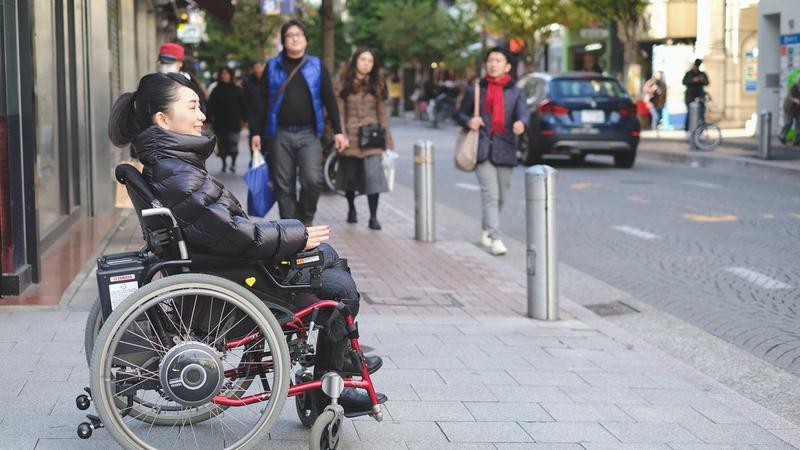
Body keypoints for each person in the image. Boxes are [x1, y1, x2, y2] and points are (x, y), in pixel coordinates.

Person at [107, 72, 384, 413]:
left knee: (326, 256)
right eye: (192, 106)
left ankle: (340, 364)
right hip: (233, 279)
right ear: (163, 120)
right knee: (339, 289)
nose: (202, 116)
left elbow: (227, 228)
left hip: (224, 266)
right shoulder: (178, 174)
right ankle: (330, 382)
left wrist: (292, 235)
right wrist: (296, 234)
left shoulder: (172, 166)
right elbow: (234, 234)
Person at [250, 19, 348, 226]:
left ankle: (306, 219)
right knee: (283, 186)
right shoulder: (273, 66)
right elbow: (260, 101)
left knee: (312, 180)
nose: (294, 38)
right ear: (284, 41)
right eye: (290, 35)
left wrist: (339, 131)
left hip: (309, 134)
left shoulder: (317, 65)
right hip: (279, 134)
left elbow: (329, 98)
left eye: (298, 35)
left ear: (306, 40)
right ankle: (291, 228)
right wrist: (256, 133)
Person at [456, 47, 529, 256]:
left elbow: (523, 114)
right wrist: (470, 120)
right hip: (482, 148)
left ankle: (486, 227)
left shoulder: (516, 92)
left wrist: (520, 124)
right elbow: (460, 113)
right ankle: (496, 238)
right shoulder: (476, 89)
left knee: (501, 197)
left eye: (498, 60)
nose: (493, 64)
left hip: (506, 148)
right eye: (490, 60)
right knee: (490, 194)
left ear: (506, 66)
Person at [336, 48, 394, 230]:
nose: (366, 63)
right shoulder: (343, 84)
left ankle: (373, 217)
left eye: (370, 60)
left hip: (373, 137)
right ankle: (351, 208)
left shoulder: (377, 84)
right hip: (350, 137)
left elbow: (382, 114)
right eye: (363, 59)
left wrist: (388, 142)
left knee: (373, 176)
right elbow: (340, 113)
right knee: (350, 177)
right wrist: (341, 135)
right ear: (355, 61)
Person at [206, 67, 246, 172]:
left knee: (233, 143)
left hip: (234, 122)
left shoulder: (237, 90)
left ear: (230, 75)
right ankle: (223, 164)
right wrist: (208, 118)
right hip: (220, 123)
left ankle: (233, 163)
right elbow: (210, 106)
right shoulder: (216, 90)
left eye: (227, 73)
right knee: (222, 145)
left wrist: (245, 118)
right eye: (222, 73)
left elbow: (243, 105)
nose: (224, 76)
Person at [157, 42, 207, 112]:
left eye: (170, 62)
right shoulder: (152, 81)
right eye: (163, 62)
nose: (165, 66)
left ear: (181, 63)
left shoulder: (188, 82)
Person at [243, 60, 267, 161]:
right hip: (254, 119)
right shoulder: (247, 83)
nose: (258, 70)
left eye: (260, 67)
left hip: (267, 119)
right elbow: (245, 103)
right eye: (256, 67)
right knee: (255, 150)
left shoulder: (269, 81)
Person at [682, 58, 709, 130]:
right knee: (690, 113)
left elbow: (707, 83)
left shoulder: (702, 74)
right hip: (690, 96)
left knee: (701, 113)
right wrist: (693, 80)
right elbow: (684, 82)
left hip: (700, 96)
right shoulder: (689, 73)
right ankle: (687, 129)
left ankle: (701, 129)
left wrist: (702, 79)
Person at [779, 77, 800, 146]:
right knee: (788, 123)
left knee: (798, 124)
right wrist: (795, 100)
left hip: (797, 110)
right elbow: (791, 97)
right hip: (789, 109)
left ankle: (797, 140)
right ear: (798, 83)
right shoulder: (793, 88)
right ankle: (782, 136)